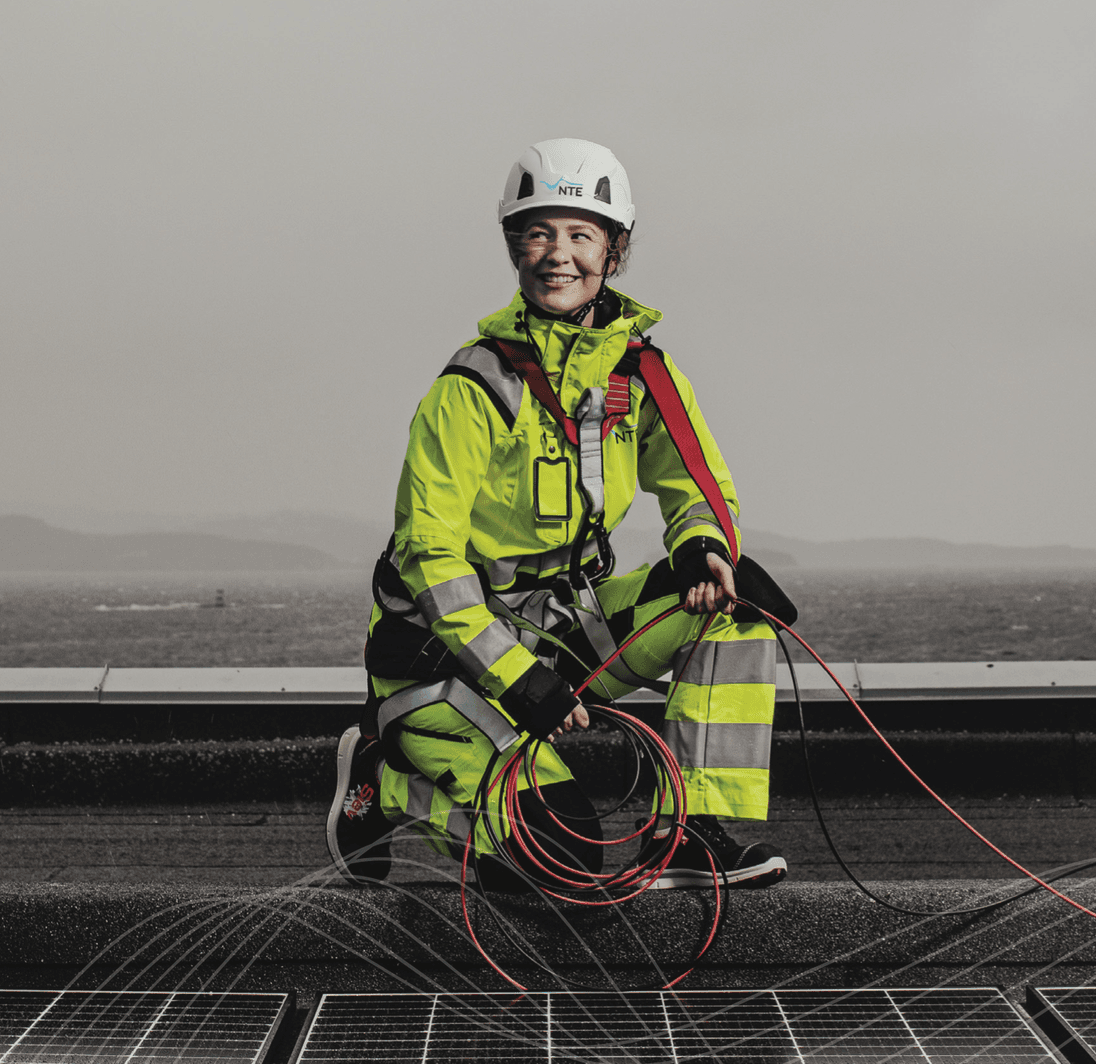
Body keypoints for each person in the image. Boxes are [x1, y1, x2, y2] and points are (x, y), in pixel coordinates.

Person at [327, 137, 788, 891]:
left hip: (559, 632)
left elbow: (698, 484)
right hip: (444, 665)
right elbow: (428, 559)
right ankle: (386, 783)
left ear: (614, 251)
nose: (558, 254)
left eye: (580, 234)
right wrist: (515, 679)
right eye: (538, 232)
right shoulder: (471, 388)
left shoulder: (641, 374)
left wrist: (705, 544)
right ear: (514, 246)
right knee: (565, 863)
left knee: (733, 605)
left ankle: (693, 832)